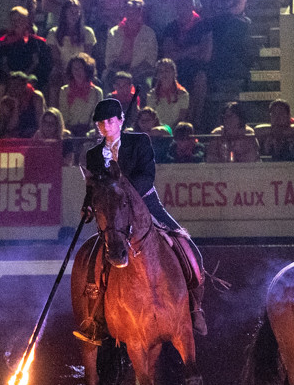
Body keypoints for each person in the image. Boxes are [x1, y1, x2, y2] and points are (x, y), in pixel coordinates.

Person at [77, 97, 207, 340]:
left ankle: (195, 308)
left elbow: (147, 175)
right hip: (114, 215)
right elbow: (93, 187)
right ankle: (97, 317)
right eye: (101, 123)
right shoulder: (94, 154)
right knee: (94, 258)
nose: (105, 126)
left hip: (146, 204)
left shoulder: (139, 142)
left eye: (110, 121)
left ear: (120, 121)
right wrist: (88, 207)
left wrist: (123, 193)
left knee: (188, 247)